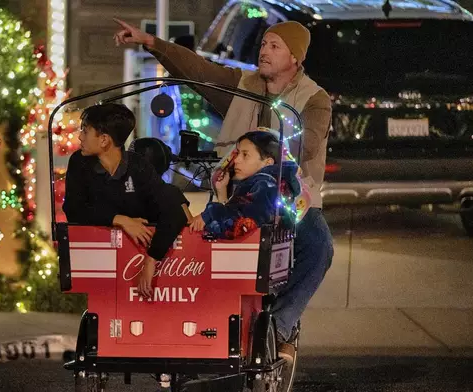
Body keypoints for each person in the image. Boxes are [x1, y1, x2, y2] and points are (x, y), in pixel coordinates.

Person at [113, 19, 334, 363]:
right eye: (263, 44)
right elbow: (199, 70)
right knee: (198, 236)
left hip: (292, 200)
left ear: (295, 57)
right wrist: (151, 42)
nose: (264, 51)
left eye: (275, 46)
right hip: (237, 195)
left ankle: (281, 323)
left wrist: (271, 156)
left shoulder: (313, 98)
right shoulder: (242, 84)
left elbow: (310, 143)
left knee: (319, 247)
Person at [62, 103, 190, 298]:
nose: (80, 137)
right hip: (101, 264)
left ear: (104, 140)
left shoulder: (139, 167)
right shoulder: (79, 163)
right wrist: (120, 219)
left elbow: (173, 208)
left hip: (141, 263)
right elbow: (74, 208)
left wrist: (151, 260)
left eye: (85, 131)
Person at [189, 131, 301, 239]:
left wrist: (210, 213)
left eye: (245, 155)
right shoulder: (274, 184)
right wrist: (222, 190)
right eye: (237, 154)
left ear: (268, 163)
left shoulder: (265, 186)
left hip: (256, 256)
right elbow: (237, 213)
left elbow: (241, 223)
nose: (236, 160)